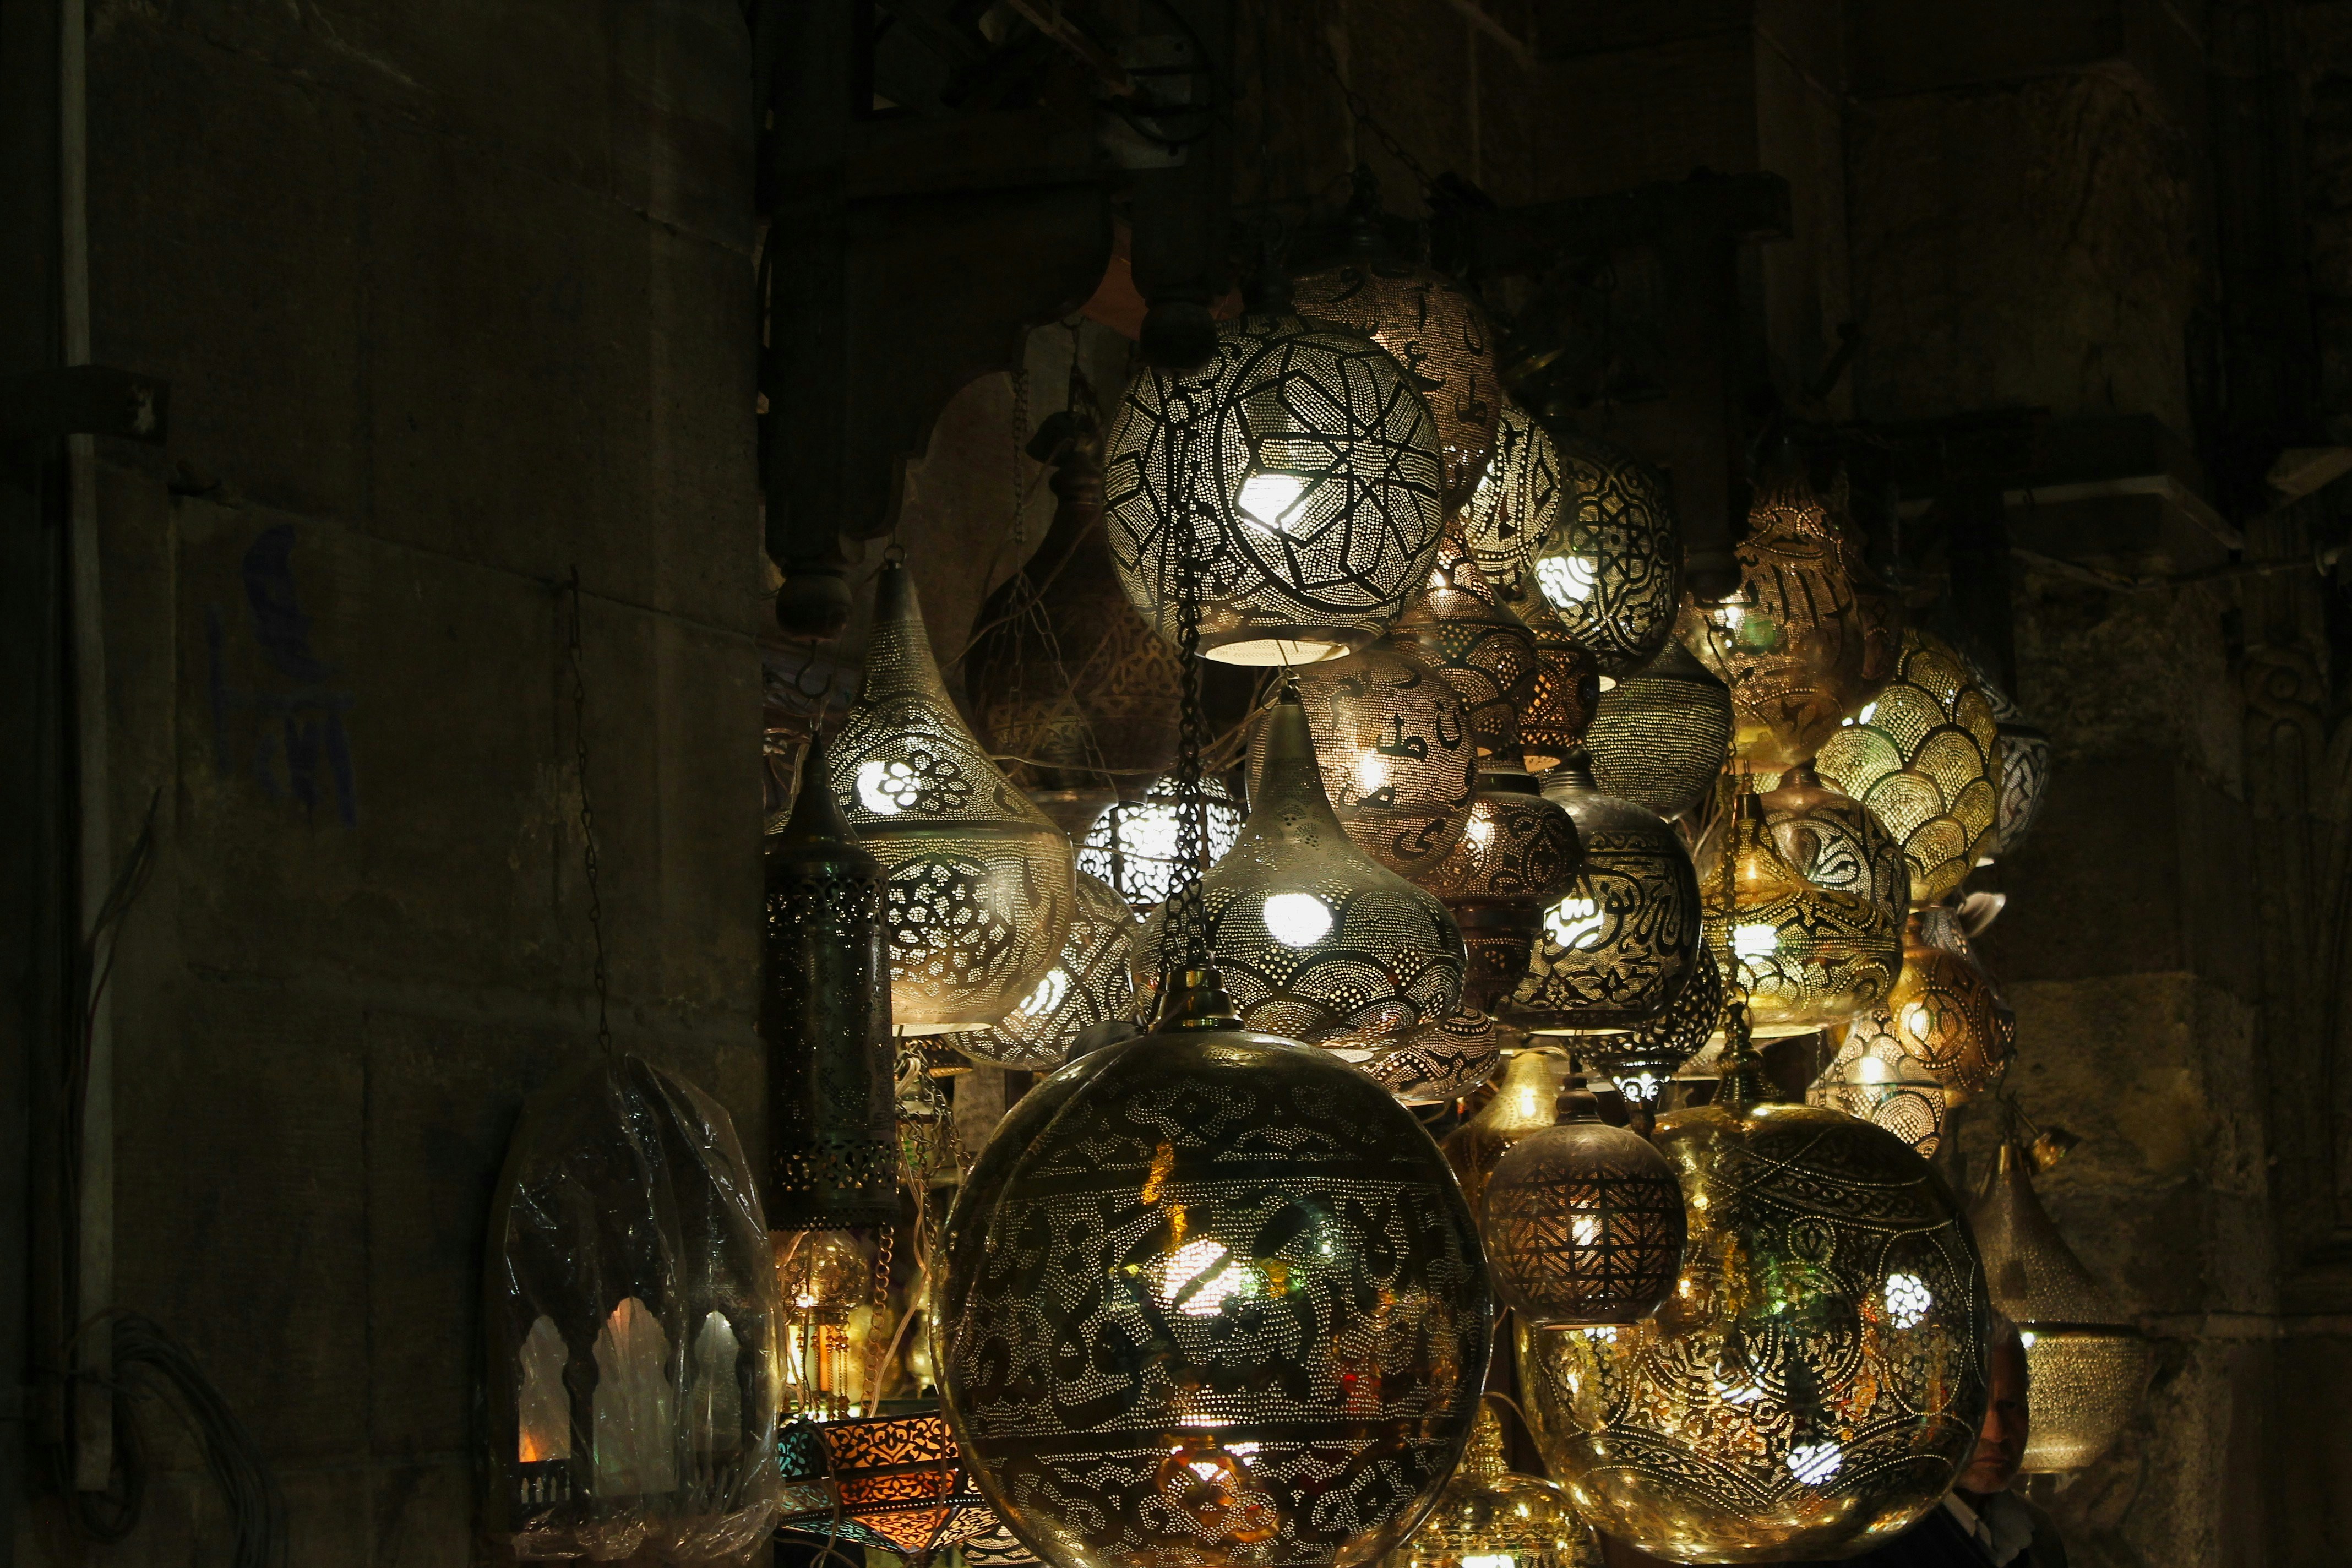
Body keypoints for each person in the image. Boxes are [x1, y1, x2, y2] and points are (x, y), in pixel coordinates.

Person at [1763, 1316, 2067, 1568]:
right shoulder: (1868, 1540)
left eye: (2012, 1405)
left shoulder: (2038, 1536)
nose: (1996, 1433)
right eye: (1971, 1406)